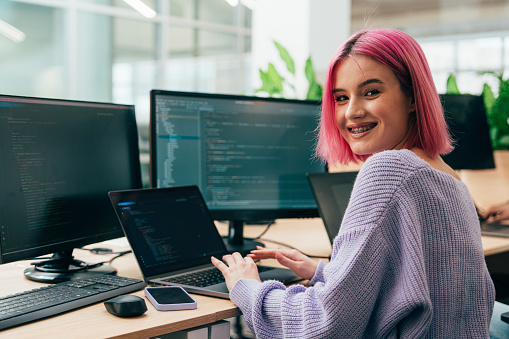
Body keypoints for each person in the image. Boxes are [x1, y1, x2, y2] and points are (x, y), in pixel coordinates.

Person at [211, 28, 495, 338]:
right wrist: (327, 272)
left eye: (371, 92)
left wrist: (247, 288)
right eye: (341, 98)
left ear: (413, 97)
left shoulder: (389, 169)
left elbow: (324, 325)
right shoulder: (450, 179)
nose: (352, 112)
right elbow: (425, 286)